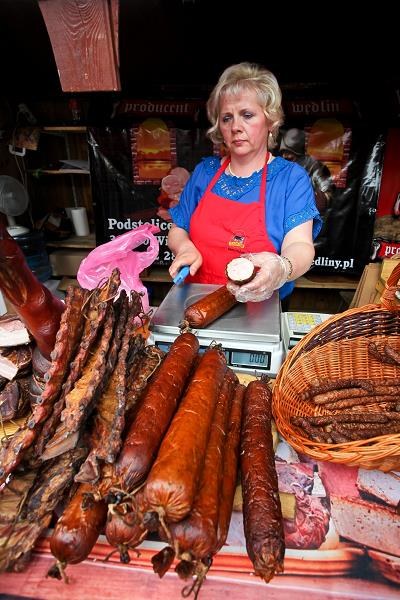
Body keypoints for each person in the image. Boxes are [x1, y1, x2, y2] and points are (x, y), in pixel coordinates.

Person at [167, 62, 322, 302]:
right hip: (195, 303)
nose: (236, 127)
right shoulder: (204, 173)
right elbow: (178, 228)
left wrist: (282, 267)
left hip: (260, 309)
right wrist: (184, 247)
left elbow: (301, 245)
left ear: (270, 121)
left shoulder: (290, 179)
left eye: (247, 115)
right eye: (227, 118)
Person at [279, 128, 334, 214]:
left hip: (307, 217)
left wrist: (312, 198)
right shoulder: (282, 167)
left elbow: (327, 194)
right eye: (283, 152)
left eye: (288, 152)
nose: (285, 156)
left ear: (297, 151)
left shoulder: (313, 165)